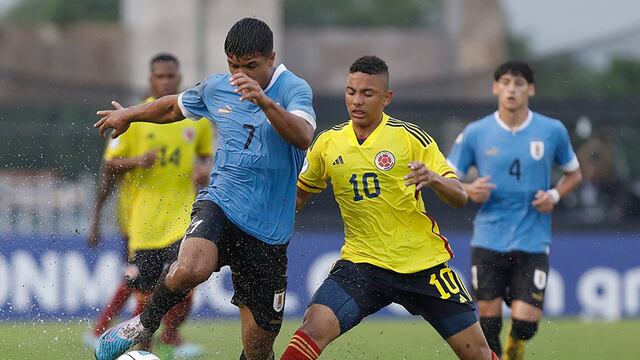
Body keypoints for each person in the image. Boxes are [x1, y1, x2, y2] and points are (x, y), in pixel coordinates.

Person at [93, 18, 316, 360]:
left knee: (257, 349)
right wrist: (131, 116)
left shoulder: (294, 89)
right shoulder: (218, 87)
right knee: (188, 269)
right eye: (233, 65)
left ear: (271, 59)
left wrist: (265, 103)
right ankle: (143, 325)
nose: (241, 75)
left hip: (269, 232)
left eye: (251, 67)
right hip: (221, 204)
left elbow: (303, 135)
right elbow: (171, 107)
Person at [280, 56, 498, 360]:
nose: (356, 101)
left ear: (386, 98)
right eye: (350, 91)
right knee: (314, 327)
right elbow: (298, 198)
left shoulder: (410, 138)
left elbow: (460, 197)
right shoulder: (328, 143)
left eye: (367, 93)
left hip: (422, 266)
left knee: (477, 354)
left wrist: (435, 179)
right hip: (362, 265)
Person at [446, 60, 582, 360]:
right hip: (488, 237)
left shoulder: (551, 130)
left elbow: (574, 173)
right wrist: (468, 189)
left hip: (532, 239)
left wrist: (554, 195)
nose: (511, 89)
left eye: (518, 83)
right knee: (487, 320)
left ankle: (517, 342)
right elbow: (446, 175)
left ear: (530, 89)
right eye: (505, 82)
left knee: (525, 323)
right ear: (496, 88)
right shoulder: (476, 132)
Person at [88, 53, 214, 358]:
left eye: (171, 77)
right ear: (151, 79)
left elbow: (206, 157)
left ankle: (169, 336)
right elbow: (109, 166)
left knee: (185, 281)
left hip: (183, 217)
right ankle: (143, 349)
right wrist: (137, 161)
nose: (166, 81)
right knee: (144, 292)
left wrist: (205, 169)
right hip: (143, 220)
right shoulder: (136, 118)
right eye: (161, 76)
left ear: (179, 79)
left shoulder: (196, 120)